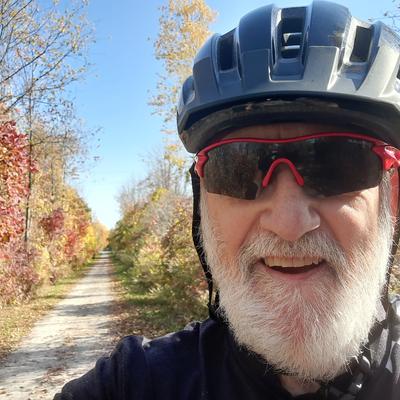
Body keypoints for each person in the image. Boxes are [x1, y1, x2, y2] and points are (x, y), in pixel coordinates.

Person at [54, 1, 400, 399]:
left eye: (338, 165)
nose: (288, 224)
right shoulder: (135, 383)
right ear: (203, 204)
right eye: (236, 171)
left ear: (391, 200)